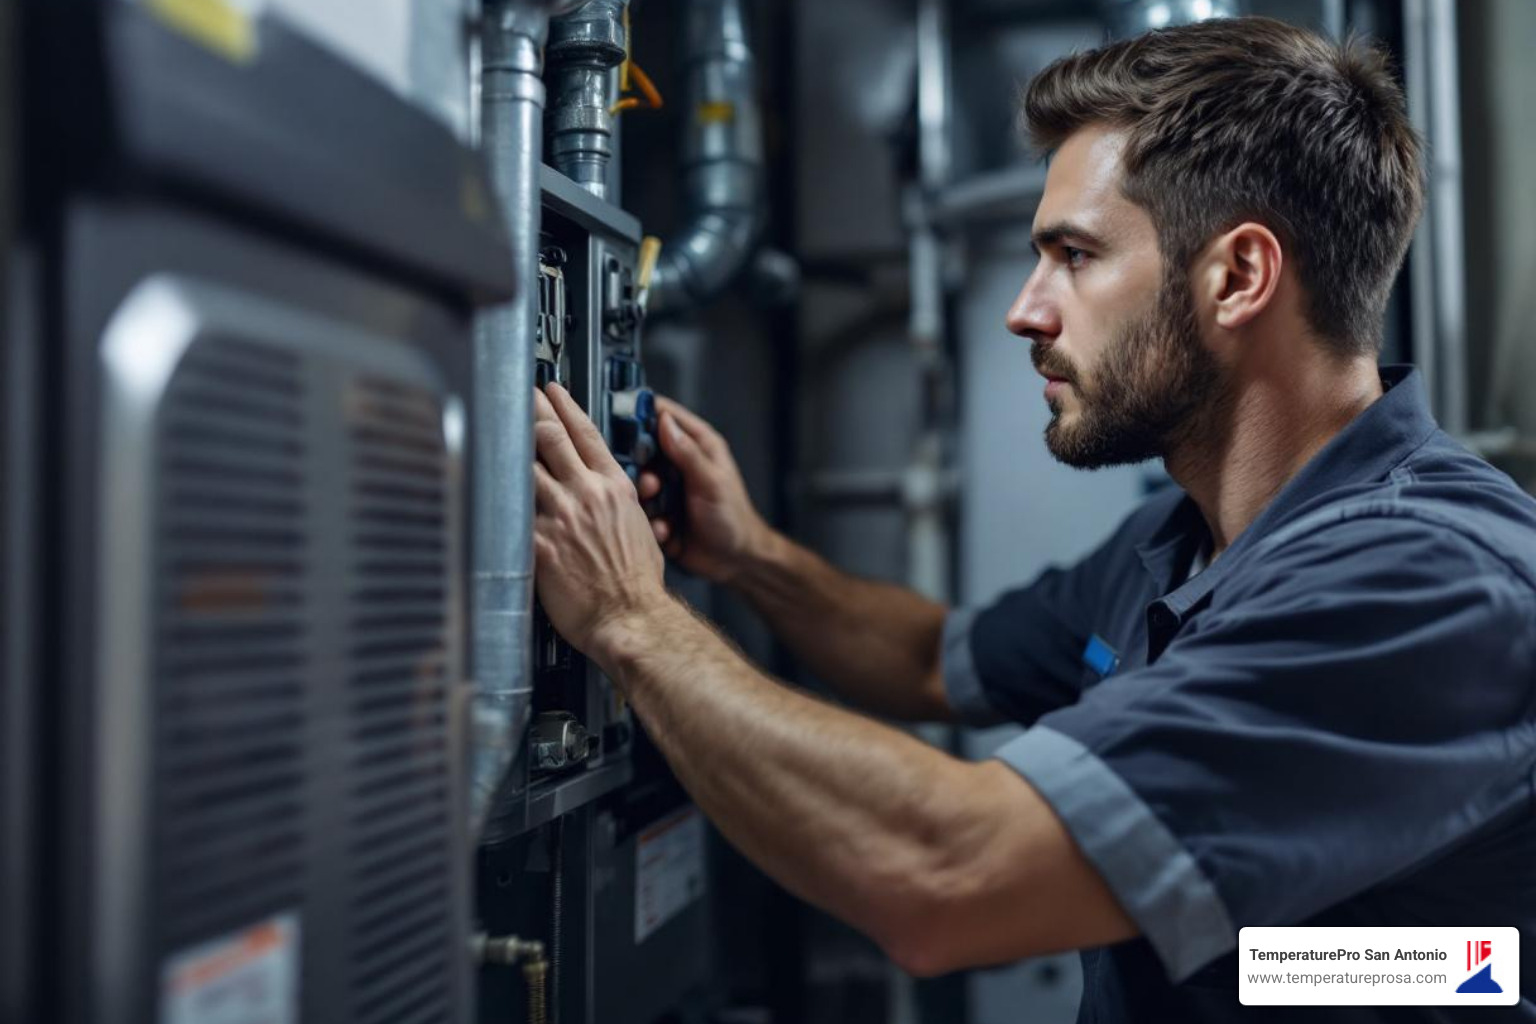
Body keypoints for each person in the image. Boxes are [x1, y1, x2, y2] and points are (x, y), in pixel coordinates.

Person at [529, 16, 1536, 1022]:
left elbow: (943, 875)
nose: (1026, 309)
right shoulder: (1179, 542)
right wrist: (750, 555)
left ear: (1238, 277)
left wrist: (628, 617)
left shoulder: (1425, 582)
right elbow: (931, 660)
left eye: (1075, 255)